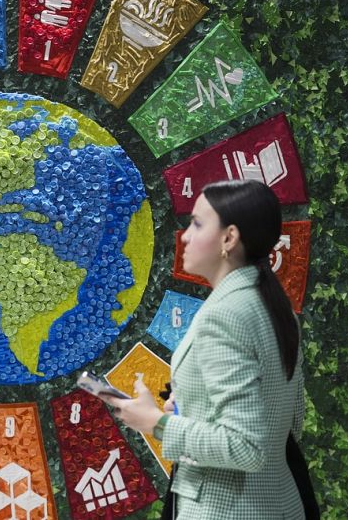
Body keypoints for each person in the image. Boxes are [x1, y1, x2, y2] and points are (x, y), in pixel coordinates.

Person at [101, 180, 306, 519]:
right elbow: (288, 424)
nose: (184, 236)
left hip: (227, 510)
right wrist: (192, 411)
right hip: (281, 503)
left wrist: (156, 423)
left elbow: (246, 447)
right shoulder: (276, 306)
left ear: (229, 238)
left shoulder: (224, 316)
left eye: (197, 224)